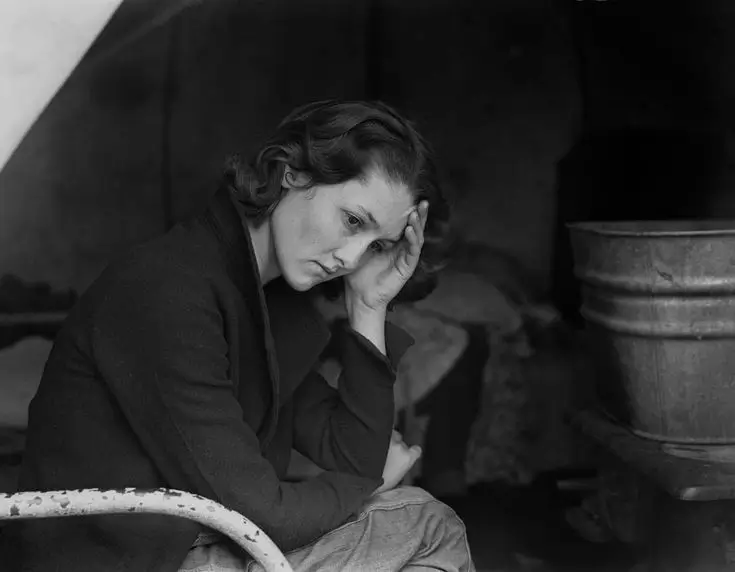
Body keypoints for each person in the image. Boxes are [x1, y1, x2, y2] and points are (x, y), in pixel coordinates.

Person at [1, 100, 475, 571]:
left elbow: (349, 451)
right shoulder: (169, 291)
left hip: (188, 543)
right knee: (430, 526)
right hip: (125, 561)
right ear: (293, 173)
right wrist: (368, 486)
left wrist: (369, 307)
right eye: (353, 221)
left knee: (418, 516)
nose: (352, 259)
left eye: (377, 246)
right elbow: (265, 513)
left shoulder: (263, 298)